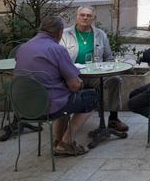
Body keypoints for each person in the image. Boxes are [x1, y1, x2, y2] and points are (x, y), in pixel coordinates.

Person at [14, 16, 98, 156]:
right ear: (59, 33)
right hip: (47, 106)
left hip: (23, 107)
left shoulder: (23, 47)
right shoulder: (57, 49)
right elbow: (74, 85)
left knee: (62, 96)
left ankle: (58, 141)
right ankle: (66, 142)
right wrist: (80, 83)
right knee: (91, 98)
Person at [60, 6, 129, 132]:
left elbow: (108, 58)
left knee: (115, 80)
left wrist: (107, 69)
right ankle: (62, 121)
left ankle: (113, 119)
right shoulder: (65, 34)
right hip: (74, 77)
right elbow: (60, 59)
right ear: (77, 17)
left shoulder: (100, 35)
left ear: (93, 18)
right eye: (82, 15)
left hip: (96, 76)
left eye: (88, 16)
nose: (85, 18)